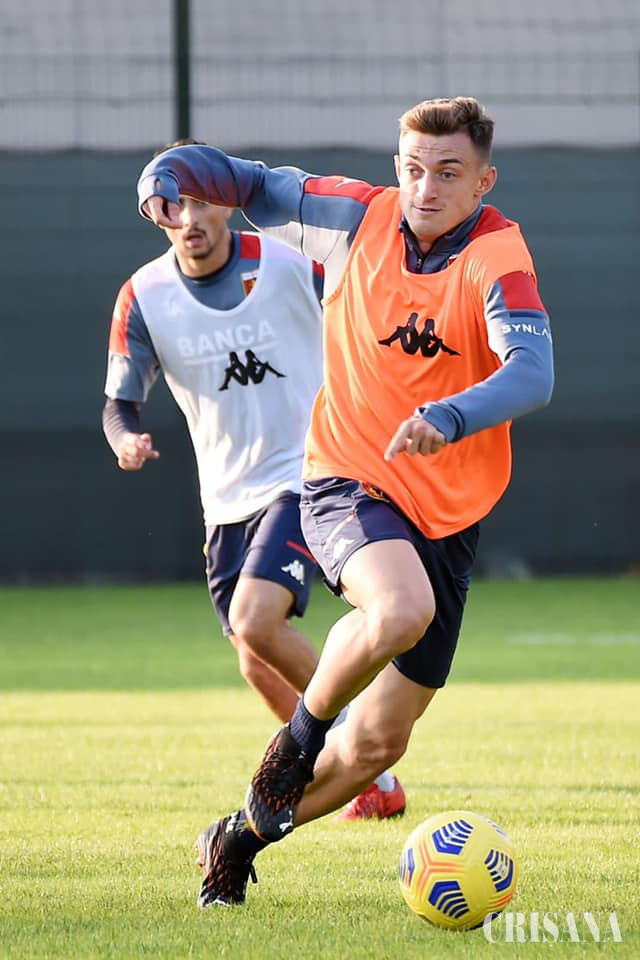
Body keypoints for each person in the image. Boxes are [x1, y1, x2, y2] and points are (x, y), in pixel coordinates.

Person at [136, 97, 554, 909]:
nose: (425, 188)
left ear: (484, 182)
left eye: (449, 173)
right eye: (413, 168)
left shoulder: (497, 253)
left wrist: (448, 416)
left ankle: (237, 839)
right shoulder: (354, 216)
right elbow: (248, 182)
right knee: (400, 610)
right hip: (347, 476)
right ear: (396, 167)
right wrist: (170, 174)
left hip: (450, 514)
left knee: (377, 746)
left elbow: (532, 374)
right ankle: (294, 744)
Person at [103, 139, 407, 827]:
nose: (191, 219)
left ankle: (357, 747)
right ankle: (374, 779)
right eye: (174, 207)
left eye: (202, 201)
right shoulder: (144, 296)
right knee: (252, 657)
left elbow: (366, 305)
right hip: (225, 502)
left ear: (226, 201)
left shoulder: (289, 262)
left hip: (309, 476)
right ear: (158, 215)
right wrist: (125, 440)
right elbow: (119, 403)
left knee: (254, 619)